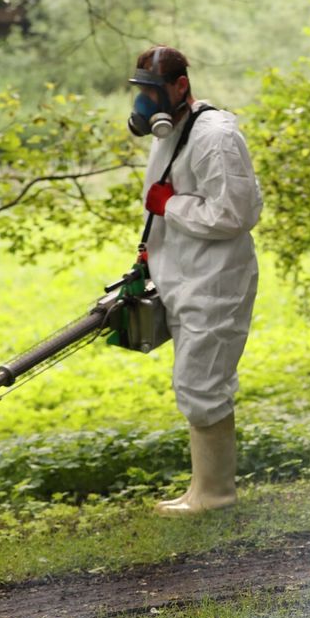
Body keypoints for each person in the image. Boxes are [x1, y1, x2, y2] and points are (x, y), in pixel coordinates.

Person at [126, 45, 263, 517]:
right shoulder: (171, 131)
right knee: (193, 384)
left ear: (180, 86)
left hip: (214, 279)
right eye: (139, 92)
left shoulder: (216, 136)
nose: (144, 104)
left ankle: (216, 496)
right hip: (182, 275)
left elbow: (236, 213)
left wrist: (170, 207)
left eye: (152, 92)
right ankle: (201, 490)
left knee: (202, 384)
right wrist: (151, 249)